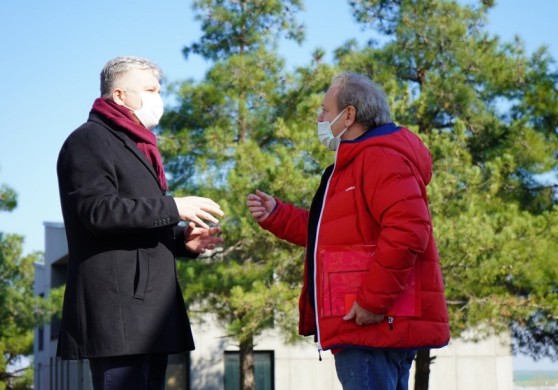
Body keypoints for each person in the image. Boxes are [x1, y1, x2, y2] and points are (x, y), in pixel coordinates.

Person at [246, 72, 450, 390]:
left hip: (371, 324)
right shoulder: (355, 163)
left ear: (349, 114)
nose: (319, 118)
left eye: (325, 110)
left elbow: (408, 231)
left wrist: (371, 303)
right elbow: (331, 234)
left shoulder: (379, 157)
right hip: (368, 324)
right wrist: (279, 215)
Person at [56, 56, 224, 390]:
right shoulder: (89, 140)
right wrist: (173, 207)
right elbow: (99, 212)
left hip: (149, 316)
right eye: (149, 89)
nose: (157, 98)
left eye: (158, 89)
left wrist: (181, 242)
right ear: (119, 96)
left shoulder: (140, 145)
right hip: (119, 316)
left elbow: (136, 222)